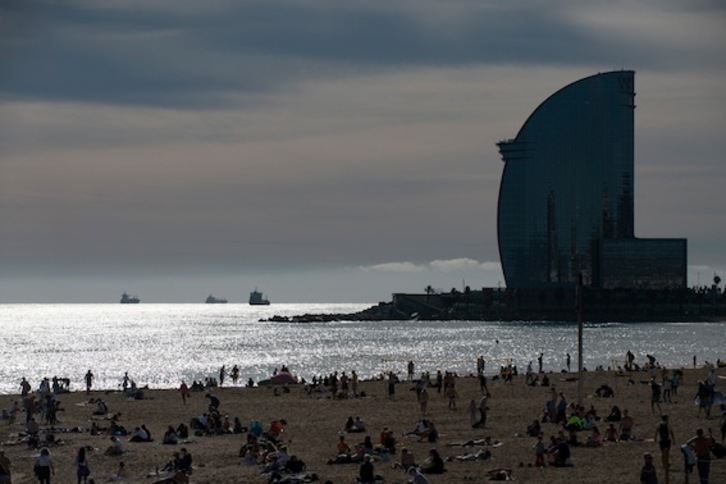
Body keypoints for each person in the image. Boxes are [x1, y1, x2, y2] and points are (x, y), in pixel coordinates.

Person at [655, 415, 675, 483]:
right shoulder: (668, 424)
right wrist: (674, 440)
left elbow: (656, 431)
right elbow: (671, 432)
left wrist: (655, 438)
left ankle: (663, 464)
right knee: (667, 452)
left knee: (662, 453)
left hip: (661, 440)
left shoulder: (659, 424)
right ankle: (667, 463)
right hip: (667, 440)